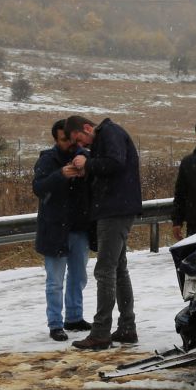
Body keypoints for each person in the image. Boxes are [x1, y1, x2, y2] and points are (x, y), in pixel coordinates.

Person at [63, 114, 142, 350]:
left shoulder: (110, 133)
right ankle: (127, 327)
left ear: (87, 128)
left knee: (105, 270)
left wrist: (87, 164)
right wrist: (88, 170)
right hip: (117, 208)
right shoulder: (106, 137)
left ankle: (100, 333)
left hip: (114, 210)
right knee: (118, 269)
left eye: (79, 138)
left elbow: (115, 163)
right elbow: (109, 166)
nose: (81, 145)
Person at [32, 119, 93, 342]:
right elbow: (38, 187)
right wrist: (60, 175)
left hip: (78, 227)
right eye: (64, 139)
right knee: (55, 281)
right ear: (56, 140)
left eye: (70, 138)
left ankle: (75, 317)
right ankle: (55, 323)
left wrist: (86, 165)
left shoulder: (86, 155)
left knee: (78, 276)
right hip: (55, 228)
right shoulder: (47, 159)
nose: (70, 143)